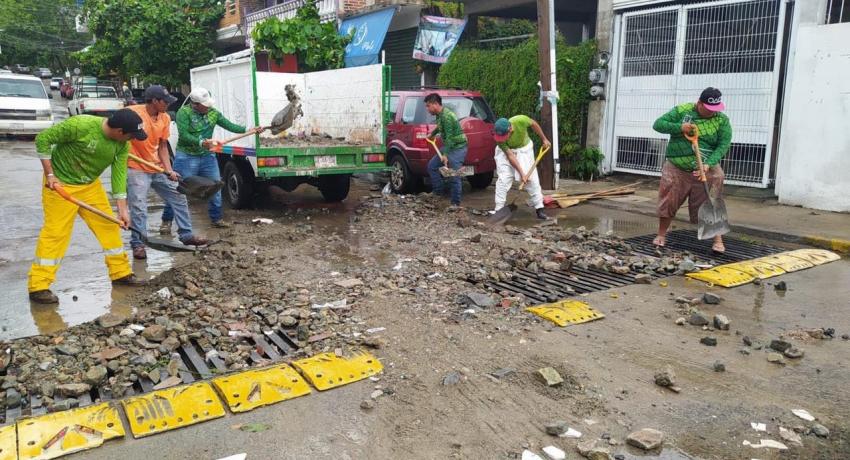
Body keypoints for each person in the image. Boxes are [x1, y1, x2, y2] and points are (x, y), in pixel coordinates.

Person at [28, 109, 149, 304]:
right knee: (56, 233)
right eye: (130, 135)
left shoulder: (121, 144)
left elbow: (119, 175)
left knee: (109, 227)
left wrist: (123, 209)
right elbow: (43, 139)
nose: (131, 139)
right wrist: (50, 174)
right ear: (119, 131)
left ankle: (121, 274)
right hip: (61, 186)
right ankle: (39, 286)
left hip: (90, 187)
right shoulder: (80, 125)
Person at [160, 87, 261, 232]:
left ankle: (216, 219)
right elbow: (184, 134)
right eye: (205, 105)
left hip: (207, 156)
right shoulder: (184, 113)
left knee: (215, 186)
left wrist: (250, 129)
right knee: (179, 189)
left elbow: (230, 125)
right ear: (195, 104)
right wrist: (202, 142)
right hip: (186, 156)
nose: (208, 107)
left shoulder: (213, 113)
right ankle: (166, 221)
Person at [126, 85, 208, 260]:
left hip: (156, 167)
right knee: (139, 206)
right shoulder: (133, 114)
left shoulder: (164, 117)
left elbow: (162, 145)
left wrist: (169, 170)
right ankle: (138, 244)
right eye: (165, 101)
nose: (168, 105)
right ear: (154, 101)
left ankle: (186, 235)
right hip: (136, 167)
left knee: (178, 195)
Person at [652, 87, 732, 253]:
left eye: (715, 109)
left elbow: (723, 144)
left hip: (706, 165)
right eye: (709, 109)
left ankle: (717, 238)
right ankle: (661, 234)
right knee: (669, 199)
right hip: (677, 165)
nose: (712, 113)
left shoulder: (722, 120)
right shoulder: (682, 111)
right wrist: (680, 128)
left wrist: (709, 163)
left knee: (713, 195)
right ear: (699, 103)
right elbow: (658, 125)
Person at [492, 115, 552, 220]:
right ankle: (498, 210)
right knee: (503, 180)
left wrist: (544, 139)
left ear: (510, 129)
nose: (501, 139)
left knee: (531, 180)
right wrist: (522, 173)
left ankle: (539, 208)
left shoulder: (520, 120)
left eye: (504, 136)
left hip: (524, 150)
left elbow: (534, 124)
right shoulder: (499, 139)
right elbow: (510, 156)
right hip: (507, 153)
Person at [425, 93, 468, 208]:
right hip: (450, 145)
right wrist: (432, 134)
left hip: (458, 147)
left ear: (435, 104)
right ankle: (438, 192)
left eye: (428, 106)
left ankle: (455, 204)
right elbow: (440, 126)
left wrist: (445, 154)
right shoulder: (440, 115)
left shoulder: (447, 116)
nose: (427, 109)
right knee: (432, 166)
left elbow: (449, 137)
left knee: (454, 174)